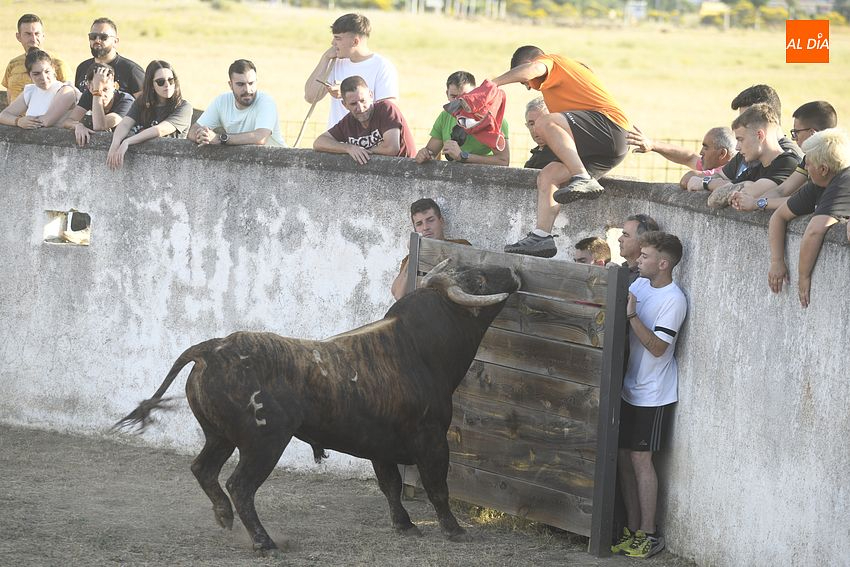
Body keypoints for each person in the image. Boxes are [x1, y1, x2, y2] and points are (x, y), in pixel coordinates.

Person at [490, 46, 630, 258]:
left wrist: (493, 84)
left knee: (544, 122)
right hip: (604, 150)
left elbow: (532, 70)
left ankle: (582, 177)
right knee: (548, 175)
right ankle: (541, 237)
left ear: (528, 63)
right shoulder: (558, 86)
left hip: (611, 129)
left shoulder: (552, 62)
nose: (527, 87)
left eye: (523, 83)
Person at [612, 231, 686, 560]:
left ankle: (649, 534)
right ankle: (632, 530)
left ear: (663, 263)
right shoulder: (640, 285)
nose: (638, 260)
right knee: (624, 458)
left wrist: (632, 315)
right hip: (629, 388)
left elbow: (658, 348)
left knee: (641, 460)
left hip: (653, 395)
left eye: (645, 256)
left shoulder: (674, 299)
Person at [767, 128, 850, 308]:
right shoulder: (818, 184)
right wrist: (777, 261)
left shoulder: (845, 180)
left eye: (808, 163)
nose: (805, 168)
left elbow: (814, 231)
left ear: (823, 169)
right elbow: (779, 216)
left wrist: (803, 277)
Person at [732, 101, 838, 212]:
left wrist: (756, 203)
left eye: (796, 132)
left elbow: (802, 201)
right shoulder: (808, 158)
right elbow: (782, 190)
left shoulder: (832, 161)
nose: (794, 138)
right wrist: (754, 201)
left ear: (812, 133)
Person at [695, 104, 800, 209]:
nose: (737, 147)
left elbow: (753, 194)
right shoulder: (754, 169)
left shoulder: (788, 163)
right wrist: (746, 183)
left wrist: (743, 186)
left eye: (741, 140)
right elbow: (713, 200)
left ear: (760, 135)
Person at [304, 13, 399, 128]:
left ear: (355, 42)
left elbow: (388, 112)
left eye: (338, 38)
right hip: (336, 137)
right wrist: (325, 59)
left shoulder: (382, 66)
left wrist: (346, 94)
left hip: (368, 137)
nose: (333, 43)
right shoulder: (335, 62)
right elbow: (310, 97)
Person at [106, 60, 192, 170]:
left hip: (172, 166)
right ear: (151, 85)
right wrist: (115, 144)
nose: (167, 85)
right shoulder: (142, 102)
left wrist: (127, 142)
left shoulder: (184, 107)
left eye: (171, 80)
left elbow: (159, 130)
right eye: (160, 82)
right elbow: (125, 124)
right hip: (143, 166)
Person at [313, 75, 415, 164]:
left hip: (405, 172)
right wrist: (348, 148)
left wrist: (362, 151)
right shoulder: (348, 121)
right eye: (353, 104)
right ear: (345, 105)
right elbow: (319, 142)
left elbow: (391, 148)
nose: (360, 108)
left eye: (363, 101)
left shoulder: (386, 109)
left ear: (371, 95)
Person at [415, 71, 510, 166]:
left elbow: (503, 160)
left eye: (465, 97)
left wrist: (463, 156)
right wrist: (424, 154)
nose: (459, 102)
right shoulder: (445, 116)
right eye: (453, 96)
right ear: (447, 94)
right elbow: (431, 152)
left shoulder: (493, 119)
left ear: (475, 93)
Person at [188, 59, 286, 148]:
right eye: (240, 84)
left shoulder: (266, 101)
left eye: (251, 83)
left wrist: (220, 138)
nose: (247, 90)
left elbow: (260, 137)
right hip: (242, 160)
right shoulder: (221, 101)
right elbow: (193, 130)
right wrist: (202, 136)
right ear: (230, 85)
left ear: (256, 82)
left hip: (277, 160)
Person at [391, 198, 471, 300]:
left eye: (430, 220)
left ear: (441, 221)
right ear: (415, 230)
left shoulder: (462, 246)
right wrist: (415, 251)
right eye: (419, 224)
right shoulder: (410, 259)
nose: (425, 227)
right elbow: (399, 295)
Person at [626, 126, 736, 189]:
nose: (701, 152)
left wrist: (700, 180)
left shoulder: (724, 170)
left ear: (722, 154)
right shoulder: (716, 163)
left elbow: (687, 179)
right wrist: (653, 145)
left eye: (706, 148)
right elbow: (689, 157)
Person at [0, 49, 78, 130]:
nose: (43, 78)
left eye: (47, 71)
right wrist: (18, 121)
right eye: (36, 74)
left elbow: (47, 121)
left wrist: (24, 121)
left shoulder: (66, 91)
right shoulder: (30, 91)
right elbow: (3, 115)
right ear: (29, 75)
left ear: (54, 69)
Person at [62, 63, 134, 147]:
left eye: (105, 89)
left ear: (114, 86)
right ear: (89, 87)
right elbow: (67, 121)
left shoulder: (126, 100)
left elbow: (100, 126)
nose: (102, 95)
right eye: (95, 89)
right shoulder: (89, 95)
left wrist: (97, 91)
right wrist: (78, 125)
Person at [3, 13, 71, 102]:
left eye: (37, 34)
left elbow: (69, 97)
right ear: (18, 37)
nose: (33, 39)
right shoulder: (13, 64)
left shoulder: (58, 64)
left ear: (43, 36)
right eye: (28, 34)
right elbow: (10, 97)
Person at [74, 18, 144, 98]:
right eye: (93, 36)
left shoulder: (132, 70)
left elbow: (144, 103)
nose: (97, 40)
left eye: (103, 37)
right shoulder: (82, 68)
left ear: (115, 41)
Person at [617, 214, 660, 284]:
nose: (619, 239)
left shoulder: (645, 280)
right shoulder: (624, 270)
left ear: (642, 241)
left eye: (626, 235)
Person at [523, 96, 559, 170]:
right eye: (531, 124)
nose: (535, 129)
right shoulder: (537, 153)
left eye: (541, 122)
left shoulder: (561, 154)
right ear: (527, 126)